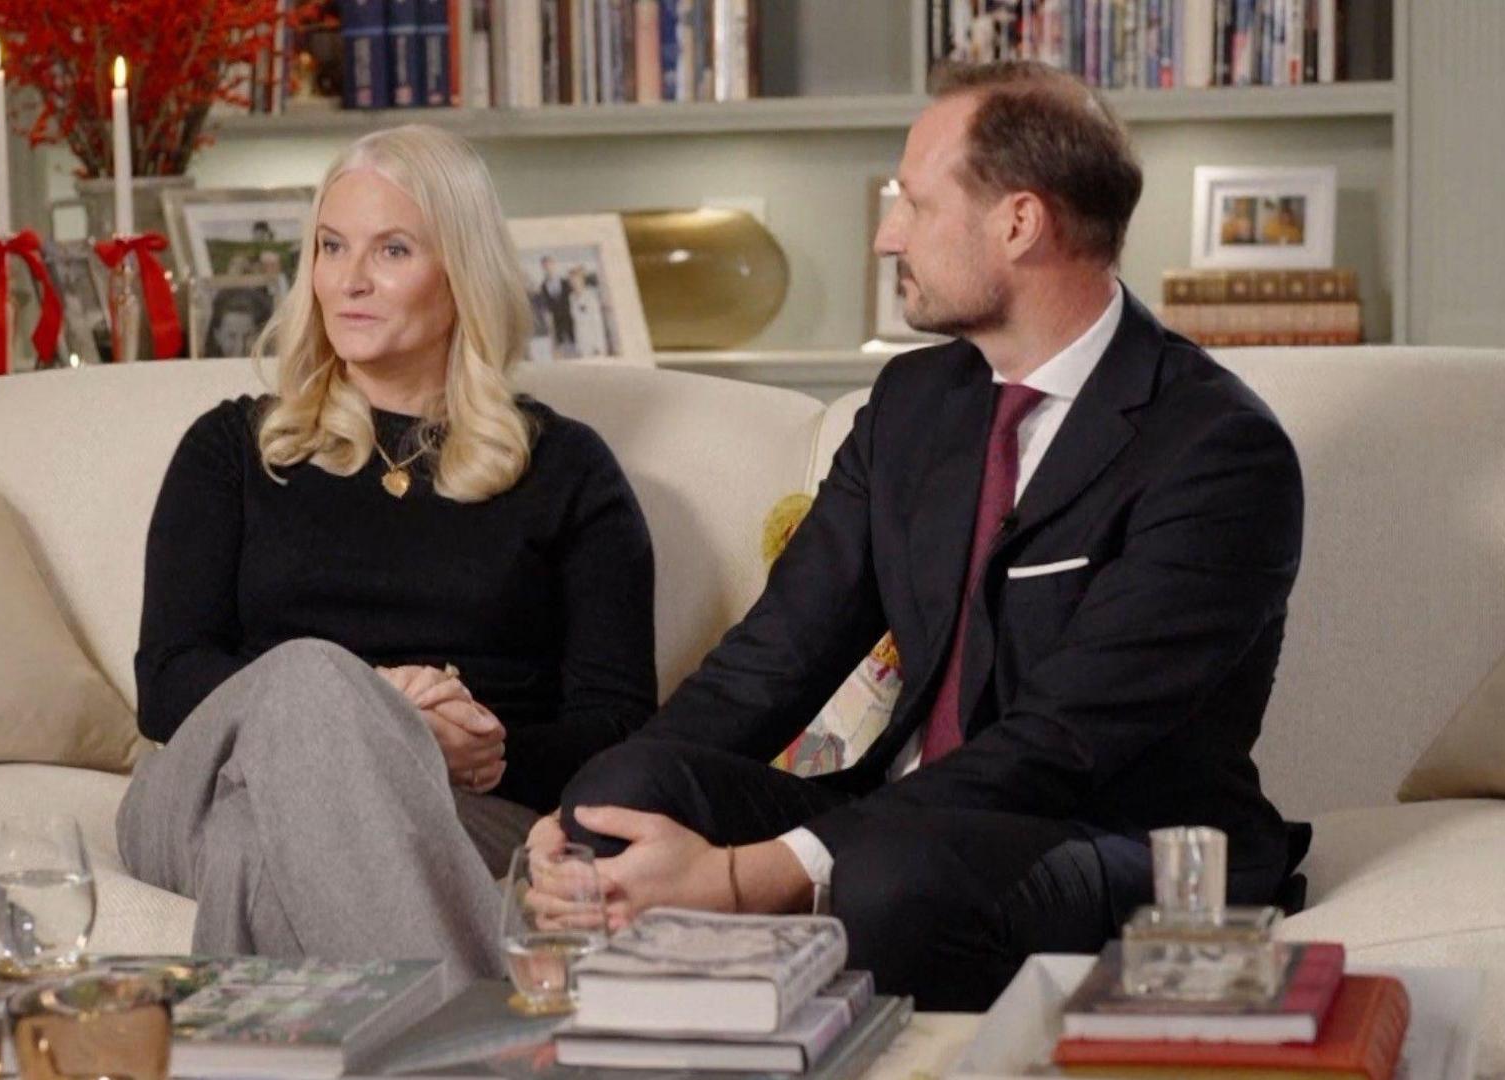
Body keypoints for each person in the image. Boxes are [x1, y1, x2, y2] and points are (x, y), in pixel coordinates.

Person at [533, 60, 1306, 1010]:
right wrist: (582, 805)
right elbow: (771, 661)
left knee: (891, 880)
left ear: (1018, 223)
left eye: (913, 203)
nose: (885, 235)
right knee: (629, 788)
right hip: (895, 816)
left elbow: (1060, 744)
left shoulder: (1217, 450)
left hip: (1103, 830)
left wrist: (750, 875)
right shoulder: (911, 404)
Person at [117, 124, 658, 980]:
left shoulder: (566, 469)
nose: (350, 281)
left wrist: (490, 749)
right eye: (332, 248)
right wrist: (381, 716)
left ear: (463, 274)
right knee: (307, 677)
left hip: (462, 803)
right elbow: (169, 682)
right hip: (197, 785)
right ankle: (484, 1039)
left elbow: (621, 723)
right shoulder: (232, 448)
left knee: (253, 847)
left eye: (392, 250)